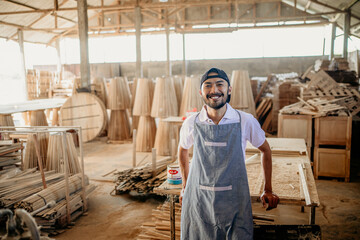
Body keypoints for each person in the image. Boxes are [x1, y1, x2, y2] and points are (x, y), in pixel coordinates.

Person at [178, 67, 279, 239]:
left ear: (229, 89)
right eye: (208, 85)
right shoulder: (192, 122)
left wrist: (267, 189)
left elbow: (265, 150)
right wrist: (185, 187)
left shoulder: (244, 120)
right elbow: (182, 150)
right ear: (201, 92)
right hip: (199, 201)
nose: (214, 90)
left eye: (220, 84)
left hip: (235, 202)